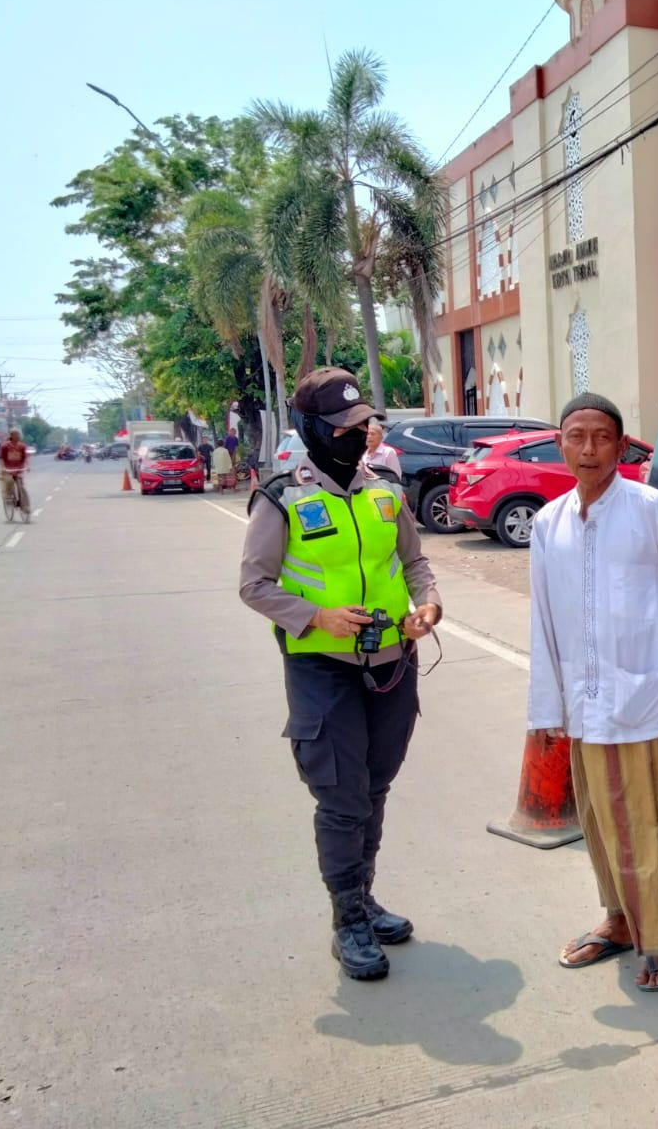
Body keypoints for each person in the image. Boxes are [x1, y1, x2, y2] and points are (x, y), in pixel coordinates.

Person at [238, 367, 444, 982]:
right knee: (341, 797)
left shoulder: (384, 490)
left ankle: (364, 897)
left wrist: (427, 605)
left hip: (391, 664)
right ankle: (346, 919)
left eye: (365, 424)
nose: (363, 435)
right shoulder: (282, 497)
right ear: (312, 430)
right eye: (347, 427)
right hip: (322, 670)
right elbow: (254, 585)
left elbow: (415, 561)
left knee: (375, 787)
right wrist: (316, 616)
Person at [529, 393, 658, 993]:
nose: (588, 448)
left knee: (654, 818)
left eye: (601, 437)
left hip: (650, 699)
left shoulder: (652, 510)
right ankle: (618, 920)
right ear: (560, 443)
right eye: (576, 435)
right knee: (600, 817)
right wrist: (548, 705)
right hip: (585, 703)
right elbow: (544, 620)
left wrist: (654, 661)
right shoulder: (547, 522)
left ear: (620, 445)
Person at [0, 431, 30, 511]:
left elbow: (26, 457)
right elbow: (1, 458)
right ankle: (9, 497)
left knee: (21, 486)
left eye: (18, 435)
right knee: (9, 481)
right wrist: (3, 468)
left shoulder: (22, 446)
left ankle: (24, 504)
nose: (18, 437)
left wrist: (28, 466)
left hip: (19, 469)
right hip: (8, 470)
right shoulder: (5, 446)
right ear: (11, 436)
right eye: (16, 435)